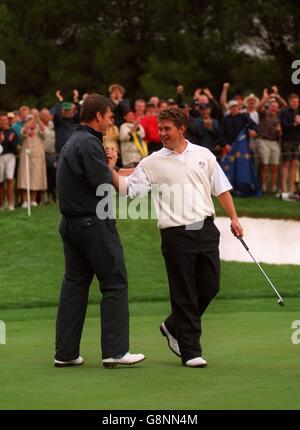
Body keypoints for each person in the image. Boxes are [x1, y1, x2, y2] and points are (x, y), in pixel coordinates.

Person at [106, 107, 243, 368]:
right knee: (185, 293)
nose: (162, 134)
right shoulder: (152, 161)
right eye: (160, 129)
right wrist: (111, 169)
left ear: (182, 128)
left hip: (204, 228)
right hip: (175, 234)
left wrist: (234, 218)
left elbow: (221, 188)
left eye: (167, 129)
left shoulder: (203, 155)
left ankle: (172, 325)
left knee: (210, 285)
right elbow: (127, 189)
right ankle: (191, 351)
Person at [55, 93, 145, 368]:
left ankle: (66, 354)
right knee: (115, 282)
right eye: (108, 117)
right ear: (97, 116)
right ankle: (115, 352)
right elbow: (103, 184)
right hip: (93, 223)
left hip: (70, 225)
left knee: (75, 285)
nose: (110, 122)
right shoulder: (90, 143)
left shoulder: (73, 140)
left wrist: (119, 168)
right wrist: (113, 166)